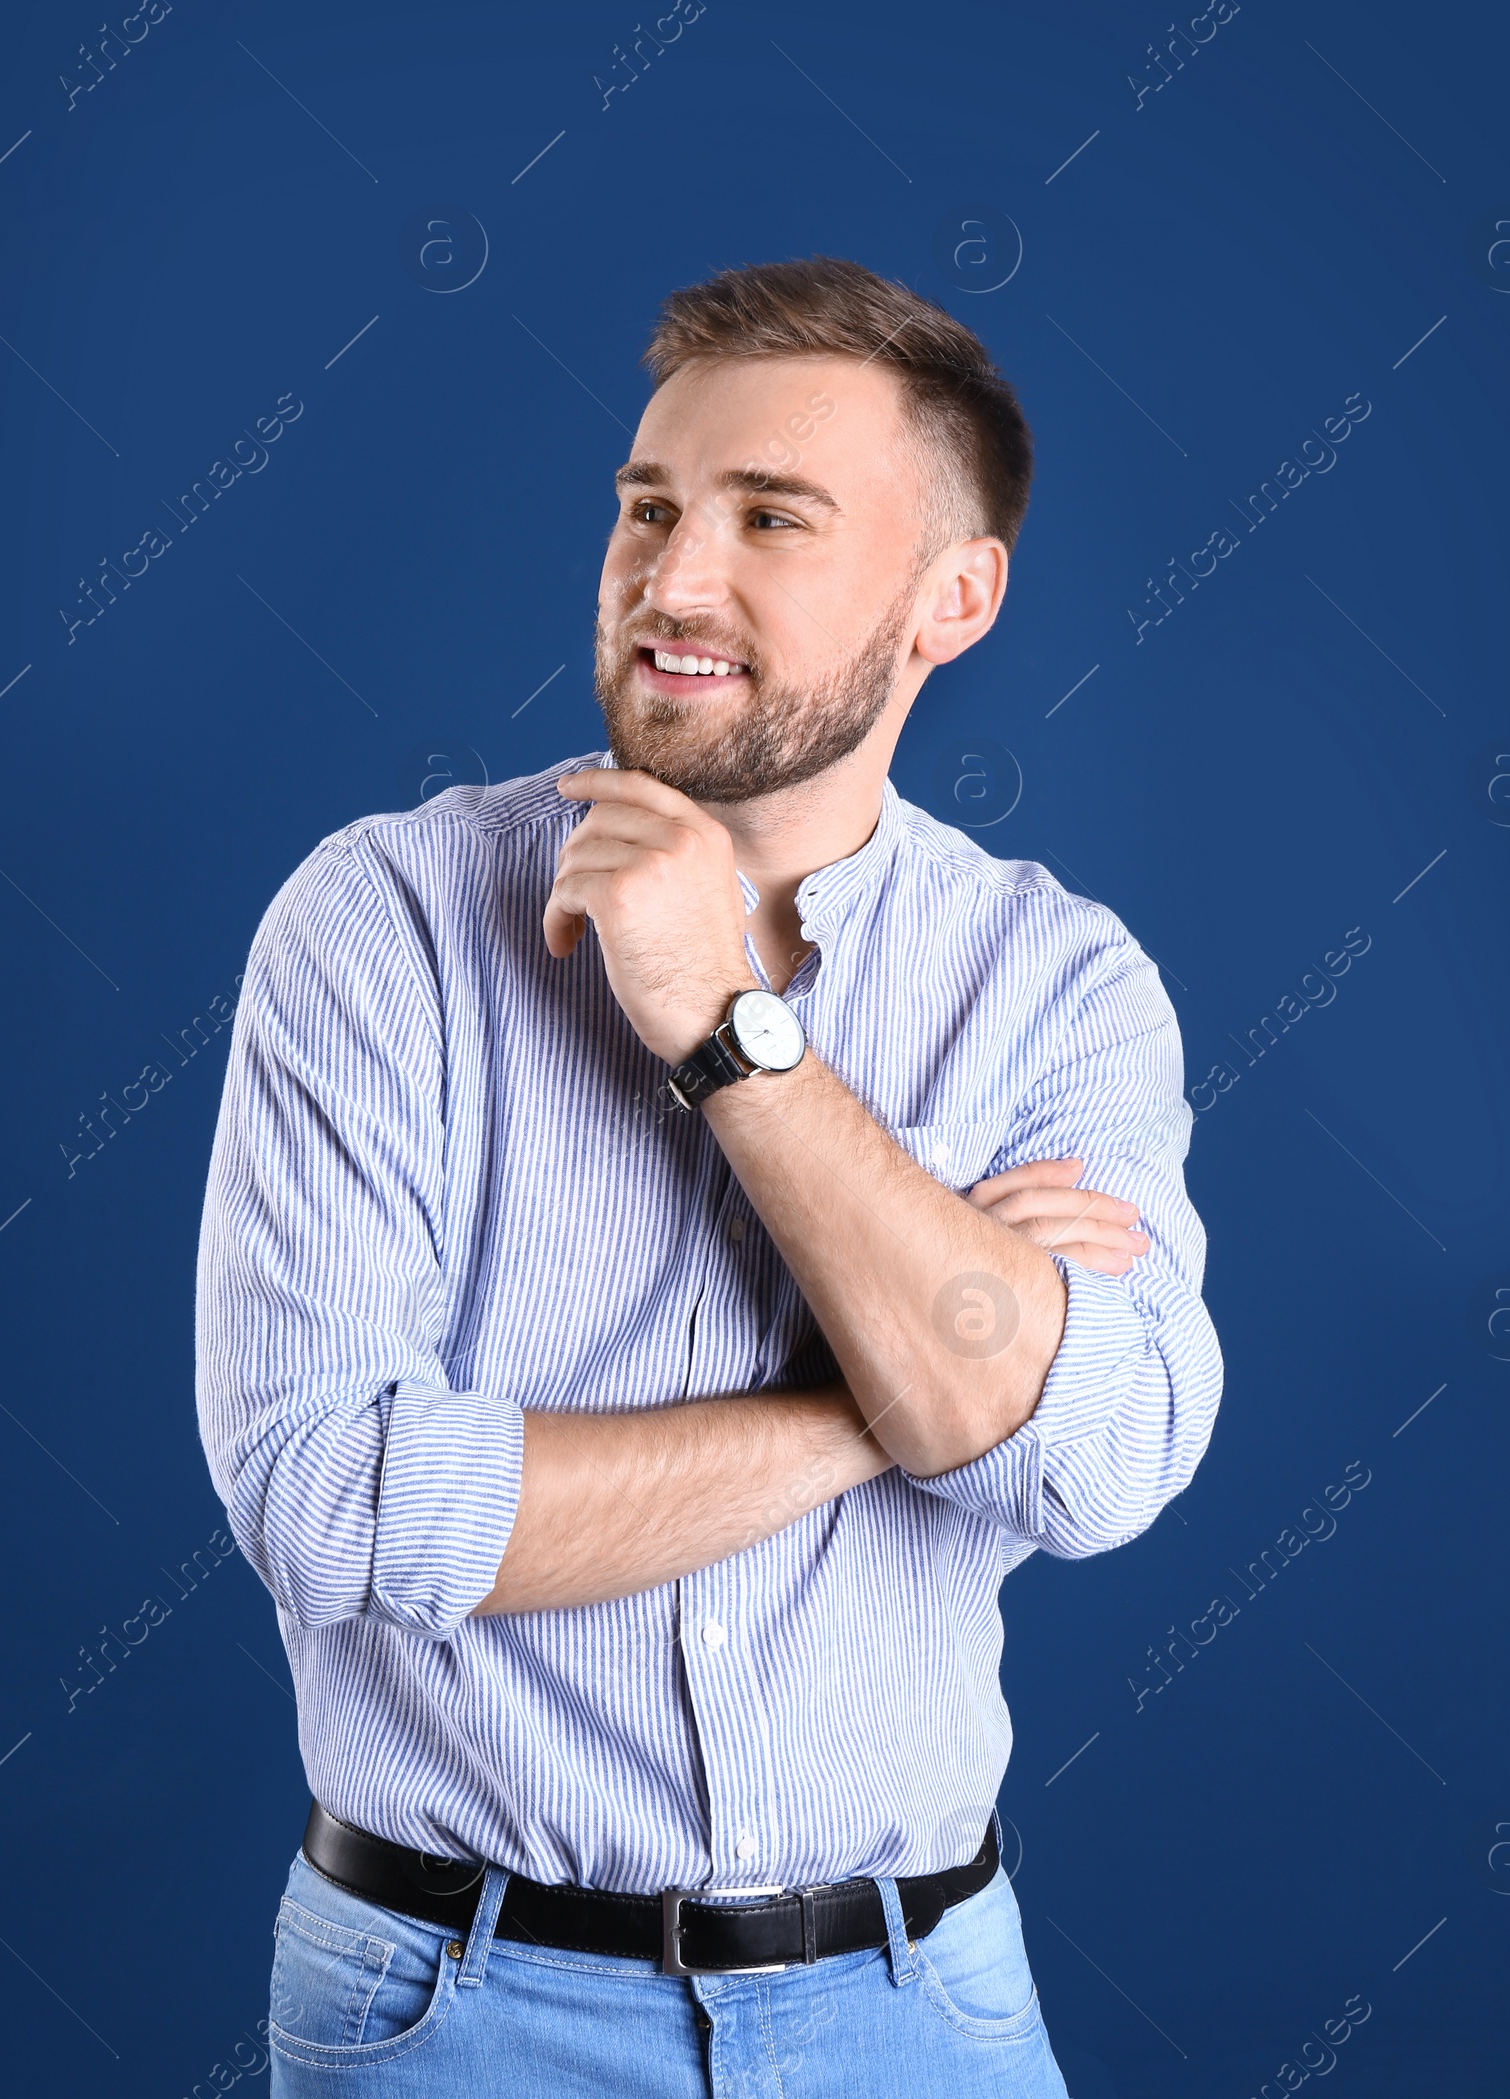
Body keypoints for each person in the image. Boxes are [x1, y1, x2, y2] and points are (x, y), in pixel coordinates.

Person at [196, 255, 1223, 2095]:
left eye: (773, 519)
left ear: (952, 599)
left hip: (920, 2010)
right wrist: (892, 1396)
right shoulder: (383, 928)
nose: (674, 579)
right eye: (650, 508)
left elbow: (1103, 1453)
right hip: (455, 2008)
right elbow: (336, 1506)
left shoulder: (1062, 981)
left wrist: (732, 1028)